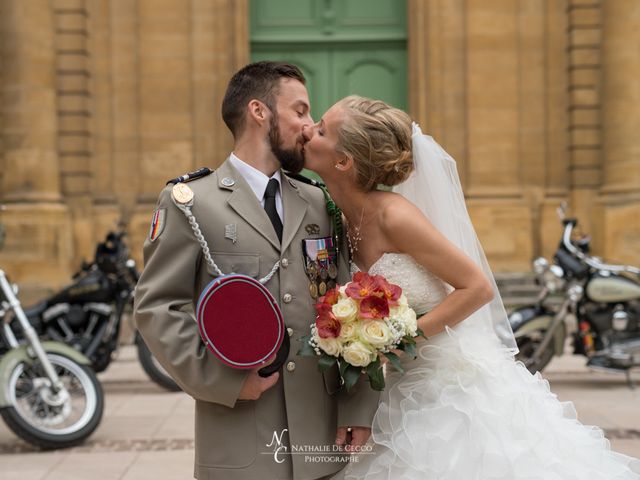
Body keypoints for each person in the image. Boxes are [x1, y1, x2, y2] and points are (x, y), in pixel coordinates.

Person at [302, 95, 640, 479]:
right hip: (392, 386)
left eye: (321, 130)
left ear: (343, 161)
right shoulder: (340, 216)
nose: (308, 130)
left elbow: (477, 288)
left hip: (446, 384)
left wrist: (395, 341)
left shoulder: (395, 216)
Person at [134, 63, 379, 480]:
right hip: (239, 438)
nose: (308, 126)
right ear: (259, 111)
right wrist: (223, 381)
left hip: (321, 436)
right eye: (300, 111)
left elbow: (347, 306)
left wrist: (358, 404)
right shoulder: (190, 201)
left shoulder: (319, 202)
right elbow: (157, 306)